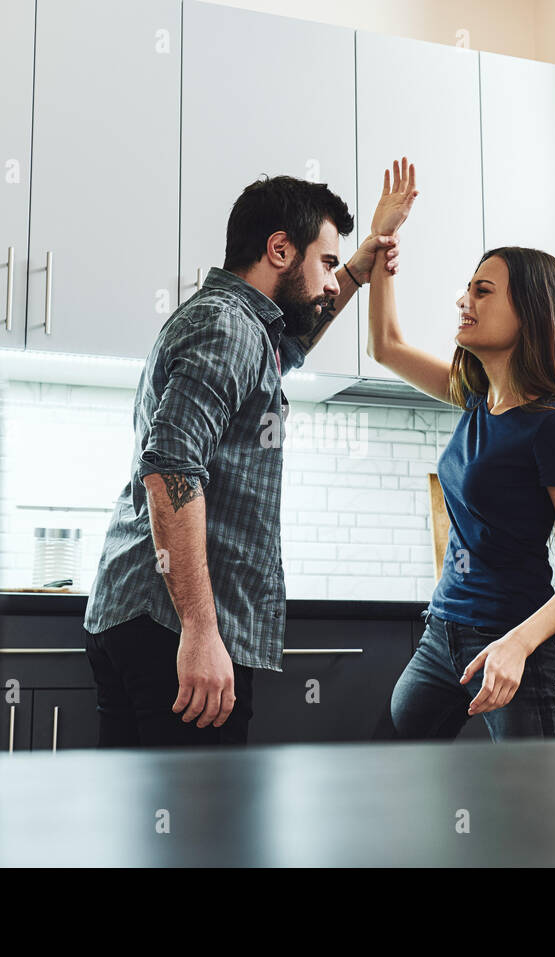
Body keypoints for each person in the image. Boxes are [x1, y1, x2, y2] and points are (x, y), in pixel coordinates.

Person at [83, 174, 401, 747]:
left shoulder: (241, 327)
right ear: (279, 250)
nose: (331, 283)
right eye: (325, 264)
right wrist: (202, 630)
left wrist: (360, 262)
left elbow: (296, 341)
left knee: (146, 826)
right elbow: (172, 468)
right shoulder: (230, 327)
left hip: (142, 616)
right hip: (172, 624)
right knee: (202, 828)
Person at [366, 156, 555, 741]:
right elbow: (386, 346)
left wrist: (517, 646)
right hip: (441, 636)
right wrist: (382, 241)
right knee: (394, 772)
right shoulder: (476, 401)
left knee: (534, 817)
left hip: (509, 646)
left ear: (529, 313)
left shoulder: (550, 426)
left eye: (483, 290)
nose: (463, 301)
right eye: (467, 288)